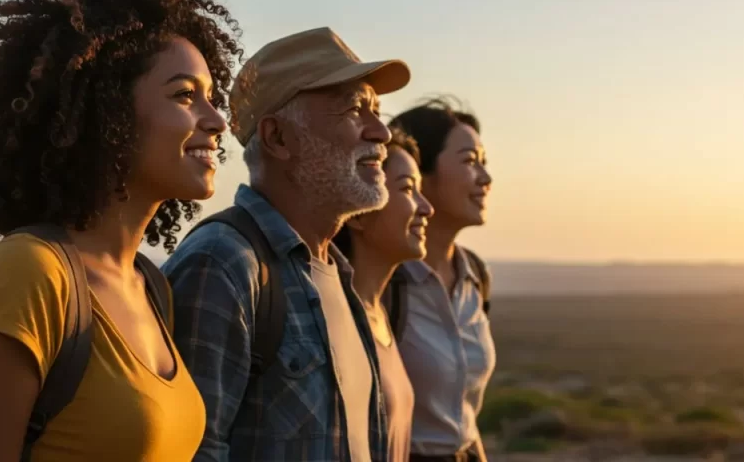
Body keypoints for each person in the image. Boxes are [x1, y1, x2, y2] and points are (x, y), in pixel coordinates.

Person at [0, 0, 244, 462]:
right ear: (107, 112)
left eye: (212, 97)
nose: (216, 120)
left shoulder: (151, 287)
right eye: (186, 95)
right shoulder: (29, 275)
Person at [163, 27, 410, 462]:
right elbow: (192, 452)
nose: (381, 133)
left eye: (377, 110)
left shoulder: (337, 272)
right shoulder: (222, 266)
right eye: (355, 109)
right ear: (278, 138)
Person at [387, 98, 496, 462]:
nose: (485, 178)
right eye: (469, 161)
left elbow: (464, 413)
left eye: (484, 163)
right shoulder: (384, 282)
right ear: (419, 173)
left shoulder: (475, 277)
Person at [333, 128, 434, 462]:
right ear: (360, 213)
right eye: (407, 189)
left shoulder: (380, 313)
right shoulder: (336, 320)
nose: (426, 208)